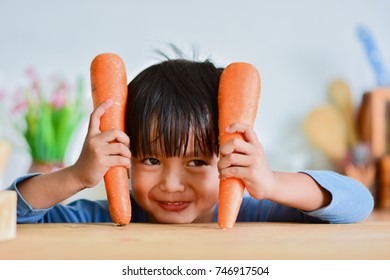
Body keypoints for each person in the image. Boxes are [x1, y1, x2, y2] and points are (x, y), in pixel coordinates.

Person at [7, 58, 374, 224]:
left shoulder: (254, 212)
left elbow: (357, 202)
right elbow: (10, 213)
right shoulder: (102, 216)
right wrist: (77, 176)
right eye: (150, 160)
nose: (170, 185)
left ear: (229, 159)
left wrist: (273, 183)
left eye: (196, 162)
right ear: (125, 157)